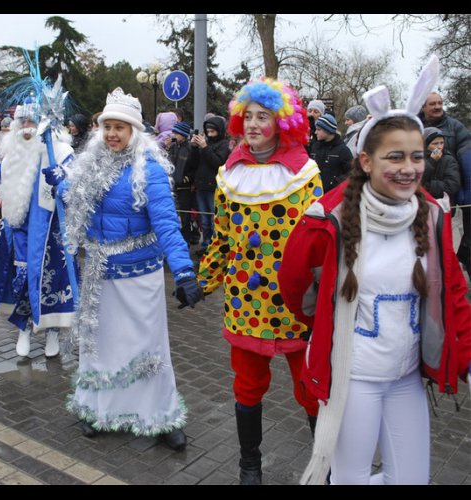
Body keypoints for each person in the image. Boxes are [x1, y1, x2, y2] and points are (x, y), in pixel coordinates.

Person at [280, 55, 470, 485]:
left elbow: (453, 292)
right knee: (351, 478)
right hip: (354, 379)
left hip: (406, 378)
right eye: (395, 157)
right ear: (366, 161)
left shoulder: (431, 217)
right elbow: (294, 284)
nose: (409, 168)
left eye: (417, 157)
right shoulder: (325, 219)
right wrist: (324, 325)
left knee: (412, 478)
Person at [56, 87, 203, 451]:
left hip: (140, 275)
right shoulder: (88, 165)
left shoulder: (149, 169)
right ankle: (97, 410)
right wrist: (61, 187)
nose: (112, 135)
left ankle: (161, 416)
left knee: (149, 348)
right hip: (98, 275)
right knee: (100, 347)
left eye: (120, 128)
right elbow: (77, 208)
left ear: (134, 131)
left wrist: (184, 271)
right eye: (107, 127)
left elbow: (168, 224)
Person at [197, 77, 324, 484]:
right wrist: (201, 282)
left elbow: (320, 243)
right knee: (247, 387)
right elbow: (221, 239)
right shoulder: (227, 175)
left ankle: (325, 465)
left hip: (295, 304)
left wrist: (330, 295)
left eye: (263, 116)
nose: (253, 124)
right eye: (247, 116)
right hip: (245, 303)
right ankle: (249, 464)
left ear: (282, 122)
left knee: (310, 387)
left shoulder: (304, 175)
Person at [0, 98, 77, 358]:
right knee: (19, 283)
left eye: (31, 121)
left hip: (50, 235)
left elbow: (76, 183)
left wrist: (63, 179)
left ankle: (53, 331)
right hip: (17, 230)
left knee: (51, 283)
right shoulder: (14, 153)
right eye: (22, 121)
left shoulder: (60, 150)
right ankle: (23, 329)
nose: (26, 126)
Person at [419, 91, 471, 275]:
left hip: (447, 199)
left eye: (440, 103)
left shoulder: (456, 128)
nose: (437, 107)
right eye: (432, 104)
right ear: (423, 106)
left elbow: (463, 163)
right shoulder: (412, 125)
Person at [190, 115, 231, 255]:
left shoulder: (224, 145)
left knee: (214, 219)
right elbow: (195, 163)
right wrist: (194, 148)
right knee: (204, 220)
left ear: (219, 131)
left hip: (214, 187)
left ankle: (215, 246)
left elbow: (218, 163)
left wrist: (205, 147)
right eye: (208, 131)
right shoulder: (205, 143)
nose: (209, 134)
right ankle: (206, 244)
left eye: (213, 131)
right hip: (201, 186)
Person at [166, 121, 198, 246]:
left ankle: (186, 240)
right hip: (174, 185)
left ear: (183, 135)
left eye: (176, 133)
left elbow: (195, 166)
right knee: (174, 214)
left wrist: (187, 179)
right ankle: (177, 239)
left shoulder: (190, 148)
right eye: (173, 132)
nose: (173, 134)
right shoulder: (174, 146)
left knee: (185, 215)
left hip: (185, 186)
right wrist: (167, 147)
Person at [309, 113, 353, 192]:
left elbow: (352, 172)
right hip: (314, 193)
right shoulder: (315, 147)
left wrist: (336, 183)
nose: (315, 132)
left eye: (319, 129)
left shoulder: (342, 150)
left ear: (328, 131)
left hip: (333, 194)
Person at [421, 127, 461, 208]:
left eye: (442, 143)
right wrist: (432, 161)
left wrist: (427, 186)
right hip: (422, 205)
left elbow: (452, 185)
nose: (439, 147)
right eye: (435, 143)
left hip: (443, 205)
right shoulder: (418, 158)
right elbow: (418, 178)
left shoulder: (448, 160)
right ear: (426, 144)